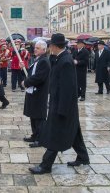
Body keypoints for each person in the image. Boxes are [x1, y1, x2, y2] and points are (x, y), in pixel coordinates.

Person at [29, 33, 89, 175]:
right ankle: (83, 157)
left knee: (54, 134)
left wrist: (62, 109)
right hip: (61, 104)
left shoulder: (66, 61)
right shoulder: (59, 58)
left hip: (63, 106)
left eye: (50, 45)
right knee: (74, 131)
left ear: (55, 46)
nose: (49, 48)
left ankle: (45, 165)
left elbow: (68, 88)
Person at [21, 40, 50, 148]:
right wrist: (22, 67)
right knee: (33, 115)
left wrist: (26, 82)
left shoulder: (44, 61)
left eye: (37, 48)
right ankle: (35, 135)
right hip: (32, 91)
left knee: (39, 117)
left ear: (44, 49)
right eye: (35, 47)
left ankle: (41, 139)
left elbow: (39, 77)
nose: (35, 49)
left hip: (39, 92)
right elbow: (31, 73)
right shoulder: (38, 60)